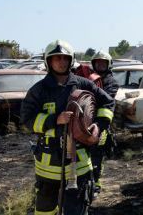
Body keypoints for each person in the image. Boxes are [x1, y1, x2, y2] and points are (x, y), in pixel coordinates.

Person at [21, 40, 115, 215]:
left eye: (65, 58)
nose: (62, 62)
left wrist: (99, 126)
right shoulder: (39, 90)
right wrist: (54, 120)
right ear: (48, 61)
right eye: (57, 58)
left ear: (71, 60)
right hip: (49, 164)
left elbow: (108, 103)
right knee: (45, 211)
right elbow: (27, 119)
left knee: (76, 210)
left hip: (79, 163)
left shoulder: (83, 84)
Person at [88, 50, 119, 195]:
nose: (100, 65)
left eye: (103, 63)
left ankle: (96, 183)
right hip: (85, 123)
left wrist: (100, 126)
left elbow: (105, 100)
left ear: (109, 64)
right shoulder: (89, 78)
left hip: (102, 125)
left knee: (97, 154)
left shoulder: (111, 82)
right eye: (98, 62)